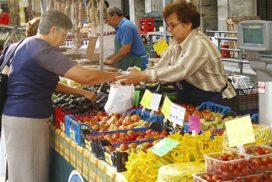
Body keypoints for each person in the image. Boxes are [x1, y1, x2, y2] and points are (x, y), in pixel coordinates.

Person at [1, 10, 118, 182]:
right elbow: (86, 77)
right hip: (28, 121)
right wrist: (116, 75)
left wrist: (82, 92)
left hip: (15, 116)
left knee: (22, 173)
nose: (63, 40)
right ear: (54, 30)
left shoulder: (21, 44)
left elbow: (45, 83)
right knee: (30, 175)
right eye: (63, 34)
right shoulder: (42, 49)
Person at [117, 1, 236, 106]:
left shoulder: (199, 43)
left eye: (172, 25)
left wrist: (145, 75)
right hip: (195, 101)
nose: (169, 29)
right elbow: (161, 66)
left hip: (217, 101)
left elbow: (181, 69)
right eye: (168, 25)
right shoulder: (176, 43)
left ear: (188, 24)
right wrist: (138, 75)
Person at [104, 6, 148, 71]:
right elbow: (121, 48)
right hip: (130, 64)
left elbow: (126, 49)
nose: (107, 23)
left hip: (137, 64)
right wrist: (113, 56)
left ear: (115, 16)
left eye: (108, 20)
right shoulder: (120, 27)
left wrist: (111, 61)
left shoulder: (126, 26)